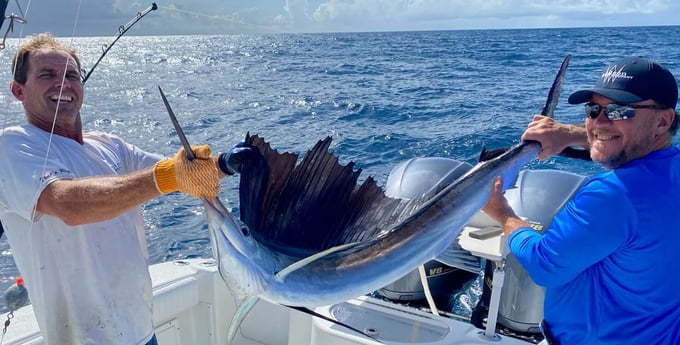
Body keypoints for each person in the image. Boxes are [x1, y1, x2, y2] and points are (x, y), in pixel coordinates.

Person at [0, 33, 241, 345]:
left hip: (141, 330)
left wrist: (225, 164)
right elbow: (66, 204)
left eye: (72, 75)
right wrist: (170, 176)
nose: (63, 83)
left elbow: (178, 172)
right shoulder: (12, 145)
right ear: (18, 90)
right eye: (47, 75)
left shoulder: (109, 145)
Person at [483, 56, 680, 344]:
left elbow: (544, 264)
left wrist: (502, 213)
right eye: (593, 109)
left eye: (619, 110)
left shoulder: (611, 196)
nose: (599, 121)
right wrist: (569, 134)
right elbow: (627, 141)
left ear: (663, 121)